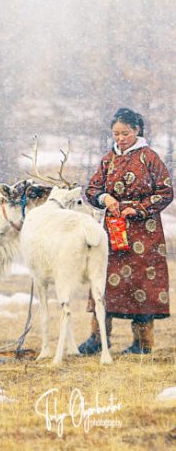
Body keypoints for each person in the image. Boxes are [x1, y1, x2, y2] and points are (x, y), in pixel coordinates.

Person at [82, 107, 172, 354]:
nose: (120, 138)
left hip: (145, 234)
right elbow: (91, 190)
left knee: (142, 283)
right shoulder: (108, 159)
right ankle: (98, 338)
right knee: (104, 280)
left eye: (125, 133)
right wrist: (105, 198)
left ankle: (142, 343)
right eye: (116, 134)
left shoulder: (149, 157)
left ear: (137, 130)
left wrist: (139, 208)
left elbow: (166, 192)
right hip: (112, 231)